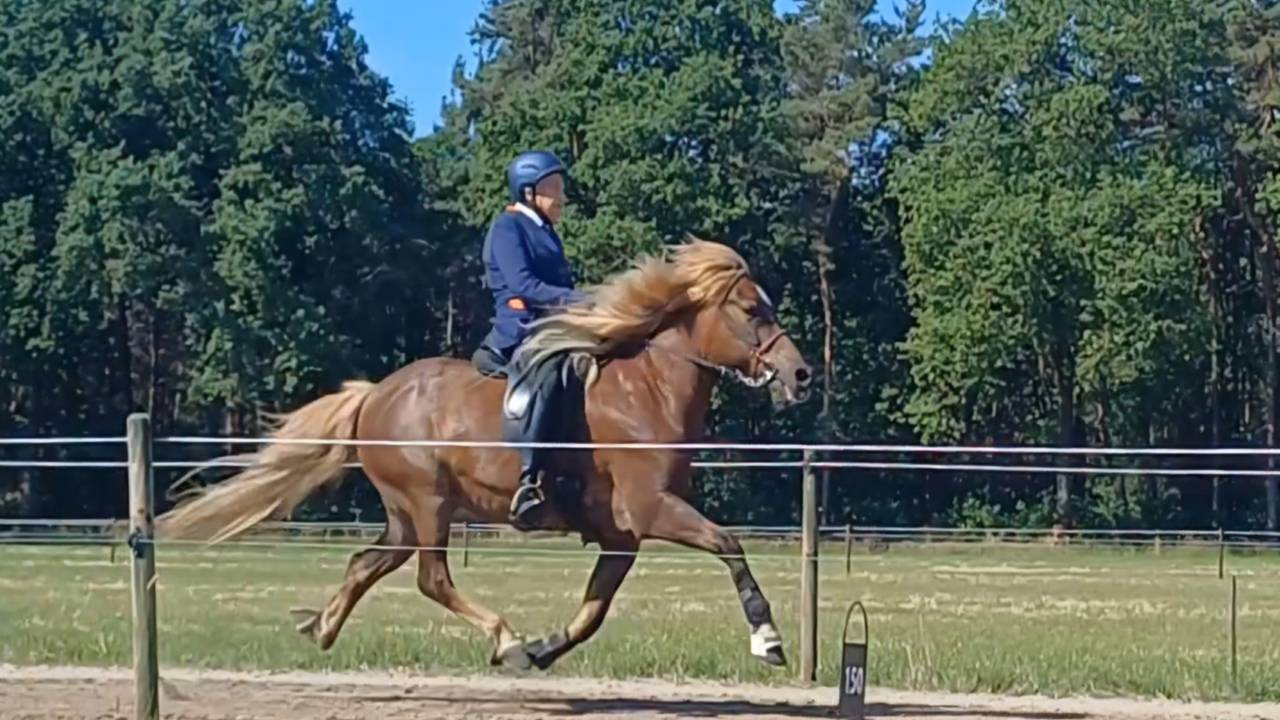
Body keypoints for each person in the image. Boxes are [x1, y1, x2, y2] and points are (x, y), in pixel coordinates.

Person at [472, 150, 584, 525]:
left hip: (553, 323)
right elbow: (524, 285)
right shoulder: (508, 227)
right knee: (552, 367)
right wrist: (578, 299)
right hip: (520, 329)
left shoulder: (546, 232)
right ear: (528, 192)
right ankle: (530, 479)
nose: (562, 198)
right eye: (554, 189)